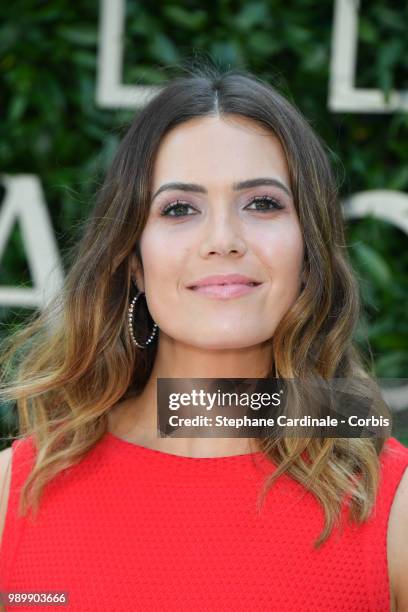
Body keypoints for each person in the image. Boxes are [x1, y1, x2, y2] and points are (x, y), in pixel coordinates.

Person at [0, 65, 407, 611]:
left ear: (309, 251)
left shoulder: (393, 509)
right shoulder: (12, 495)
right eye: (179, 209)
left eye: (262, 203)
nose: (222, 240)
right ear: (133, 261)